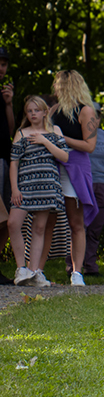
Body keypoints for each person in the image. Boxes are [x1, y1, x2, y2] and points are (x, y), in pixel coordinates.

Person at [9, 96, 70, 287]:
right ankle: (21, 269)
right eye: (29, 111)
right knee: (13, 223)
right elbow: (14, 163)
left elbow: (65, 156)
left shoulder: (55, 131)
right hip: (25, 186)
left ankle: (35, 272)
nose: (33, 114)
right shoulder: (21, 133)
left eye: (37, 110)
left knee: (40, 228)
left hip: (47, 186)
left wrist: (45, 141)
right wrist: (15, 189)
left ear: (45, 112)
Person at [49, 70, 99, 287]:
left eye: (60, 84)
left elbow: (90, 146)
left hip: (75, 169)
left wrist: (61, 139)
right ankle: (36, 270)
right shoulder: (52, 110)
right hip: (52, 167)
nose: (57, 87)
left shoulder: (87, 111)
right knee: (48, 219)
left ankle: (77, 272)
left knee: (75, 222)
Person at [81, 103, 104, 275]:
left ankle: (90, 265)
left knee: (95, 228)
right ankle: (73, 265)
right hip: (85, 182)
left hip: (102, 183)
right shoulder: (80, 133)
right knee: (80, 226)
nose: (94, 119)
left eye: (97, 116)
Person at [0, 47, 15, 284]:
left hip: (4, 159)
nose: (1, 69)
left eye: (4, 64)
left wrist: (9, 104)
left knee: (7, 217)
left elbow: (10, 131)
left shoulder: (4, 93)